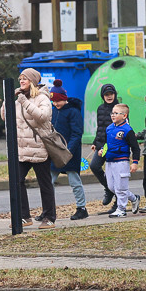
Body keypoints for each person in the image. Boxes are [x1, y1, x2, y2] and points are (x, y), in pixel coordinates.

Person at [1, 68, 56, 229]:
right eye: (20, 79)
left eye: (25, 79)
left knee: (44, 183)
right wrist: (8, 99)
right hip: (21, 148)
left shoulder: (42, 97)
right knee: (16, 181)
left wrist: (25, 103)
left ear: (33, 81)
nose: (22, 81)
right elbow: (4, 116)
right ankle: (24, 216)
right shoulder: (18, 98)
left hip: (39, 147)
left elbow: (43, 116)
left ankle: (49, 217)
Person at [49, 80, 87, 220]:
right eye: (53, 102)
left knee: (74, 181)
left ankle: (81, 208)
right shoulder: (53, 111)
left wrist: (69, 150)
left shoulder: (73, 112)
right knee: (49, 181)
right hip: (55, 152)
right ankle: (49, 209)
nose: (56, 104)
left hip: (71, 153)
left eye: (58, 101)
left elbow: (77, 133)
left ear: (64, 99)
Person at [103, 104, 141, 218]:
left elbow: (135, 147)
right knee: (111, 187)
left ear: (124, 116)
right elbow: (107, 144)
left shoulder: (127, 130)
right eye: (112, 113)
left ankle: (121, 209)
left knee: (121, 188)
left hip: (121, 161)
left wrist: (135, 162)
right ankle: (134, 198)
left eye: (116, 113)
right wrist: (102, 150)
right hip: (109, 161)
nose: (113, 115)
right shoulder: (109, 128)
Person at [89, 83, 118, 208]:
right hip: (101, 145)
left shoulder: (119, 108)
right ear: (103, 96)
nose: (109, 96)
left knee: (115, 174)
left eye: (111, 94)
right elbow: (100, 127)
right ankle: (108, 189)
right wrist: (96, 142)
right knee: (94, 166)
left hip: (114, 145)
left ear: (115, 94)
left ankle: (118, 203)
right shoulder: (100, 108)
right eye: (106, 94)